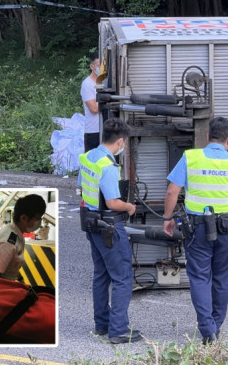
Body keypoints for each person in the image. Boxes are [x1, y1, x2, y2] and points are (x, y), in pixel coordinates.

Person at [162, 116, 228, 344]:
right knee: (222, 276)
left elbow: (171, 193)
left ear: (207, 137)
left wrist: (167, 218)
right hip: (227, 227)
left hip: (197, 229)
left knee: (199, 277)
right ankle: (216, 324)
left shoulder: (191, 157)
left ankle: (207, 330)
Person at [78, 117, 141, 344]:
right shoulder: (108, 165)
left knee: (101, 275)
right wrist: (130, 207)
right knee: (123, 277)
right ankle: (119, 331)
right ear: (121, 142)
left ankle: (102, 325)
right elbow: (114, 202)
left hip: (91, 224)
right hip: (109, 226)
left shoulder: (88, 158)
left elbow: (82, 187)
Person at [0, 194, 47, 281]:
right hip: (2, 290)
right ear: (24, 218)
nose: (38, 222)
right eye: (37, 218)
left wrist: (20, 279)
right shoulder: (7, 242)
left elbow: (10, 264)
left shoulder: (16, 234)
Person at [81, 51, 101, 152]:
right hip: (93, 131)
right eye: (98, 65)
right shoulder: (87, 84)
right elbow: (94, 109)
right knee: (91, 164)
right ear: (92, 66)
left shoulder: (105, 82)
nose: (101, 68)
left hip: (105, 130)